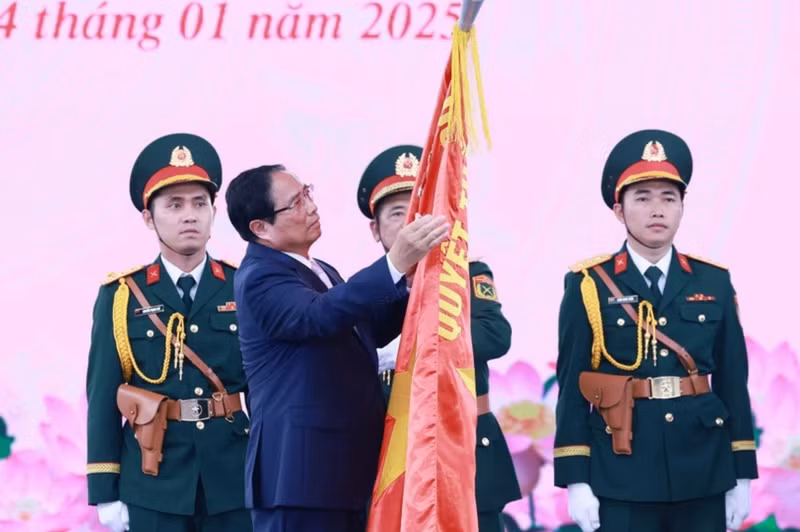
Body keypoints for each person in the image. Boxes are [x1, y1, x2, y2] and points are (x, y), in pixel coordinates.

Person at [225, 163, 450, 532]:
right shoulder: (259, 277)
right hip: (301, 479)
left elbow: (363, 329)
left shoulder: (318, 269)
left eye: (307, 193)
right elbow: (318, 317)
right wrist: (394, 263)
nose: (311, 207)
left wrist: (411, 284)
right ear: (260, 228)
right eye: (295, 203)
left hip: (343, 471)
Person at [553, 129, 757, 532]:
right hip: (622, 470)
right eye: (642, 198)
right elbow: (573, 384)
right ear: (619, 210)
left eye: (668, 198)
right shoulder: (589, 284)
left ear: (682, 206)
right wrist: (575, 478)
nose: (657, 210)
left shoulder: (713, 281)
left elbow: (734, 381)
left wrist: (743, 474)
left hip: (703, 467)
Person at [86, 133, 252, 532]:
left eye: (199, 204)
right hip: (153, 481)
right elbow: (103, 396)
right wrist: (105, 489)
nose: (189, 216)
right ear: (149, 217)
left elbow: (265, 386)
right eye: (174, 205)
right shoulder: (123, 295)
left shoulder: (243, 284)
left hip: (232, 476)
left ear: (214, 211)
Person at [356, 145, 522, 532]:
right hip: (396, 457)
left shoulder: (468, 273)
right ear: (375, 229)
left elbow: (495, 334)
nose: (411, 223)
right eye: (398, 214)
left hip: (464, 448)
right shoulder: (366, 288)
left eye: (419, 209)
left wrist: (413, 348)